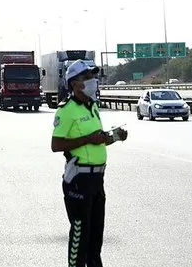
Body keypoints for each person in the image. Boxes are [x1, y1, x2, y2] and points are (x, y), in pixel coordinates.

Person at [51, 59, 128, 267]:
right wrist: (87, 139)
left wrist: (115, 137)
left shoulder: (93, 107)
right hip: (79, 180)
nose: (92, 81)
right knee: (80, 237)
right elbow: (56, 144)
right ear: (74, 83)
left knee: (95, 239)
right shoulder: (66, 110)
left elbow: (97, 140)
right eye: (87, 77)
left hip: (97, 179)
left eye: (93, 76)